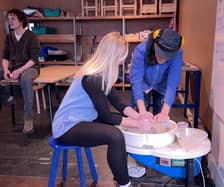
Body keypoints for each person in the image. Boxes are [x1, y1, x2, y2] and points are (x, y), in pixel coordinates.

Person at [52, 32, 151, 187]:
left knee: (122, 126)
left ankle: (122, 169)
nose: (123, 60)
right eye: (121, 56)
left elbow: (118, 103)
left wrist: (138, 116)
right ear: (111, 55)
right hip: (66, 127)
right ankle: (125, 183)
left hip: (83, 119)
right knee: (115, 135)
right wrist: (136, 124)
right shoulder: (92, 78)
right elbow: (106, 116)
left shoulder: (103, 74)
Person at [130, 28, 183, 122]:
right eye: (160, 55)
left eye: (167, 57)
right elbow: (136, 80)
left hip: (162, 84)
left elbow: (172, 83)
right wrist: (142, 111)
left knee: (160, 117)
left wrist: (164, 113)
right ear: (155, 44)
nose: (162, 60)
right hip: (143, 83)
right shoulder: (141, 50)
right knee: (141, 116)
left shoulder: (177, 52)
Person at [0, 9, 40, 134]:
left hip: (30, 67)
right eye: (9, 19)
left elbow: (34, 59)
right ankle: (6, 97)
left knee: (26, 79)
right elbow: (5, 57)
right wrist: (6, 69)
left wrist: (18, 71)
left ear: (21, 20)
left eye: (13, 19)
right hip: (13, 67)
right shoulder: (9, 37)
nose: (10, 22)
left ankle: (28, 119)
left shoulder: (32, 36)